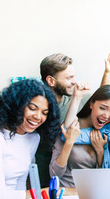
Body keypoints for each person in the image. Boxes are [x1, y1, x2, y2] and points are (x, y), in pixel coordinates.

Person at [49, 84, 110, 187]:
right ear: (91, 104)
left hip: (92, 195)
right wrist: (69, 143)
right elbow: (54, 174)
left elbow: (104, 178)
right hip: (68, 194)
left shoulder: (107, 133)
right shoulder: (71, 126)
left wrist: (100, 152)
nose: (106, 115)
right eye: (102, 108)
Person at [37, 53, 91, 187]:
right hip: (41, 173)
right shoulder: (37, 106)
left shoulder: (79, 97)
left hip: (67, 178)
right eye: (69, 78)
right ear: (51, 81)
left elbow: (105, 100)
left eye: (74, 76)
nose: (74, 81)